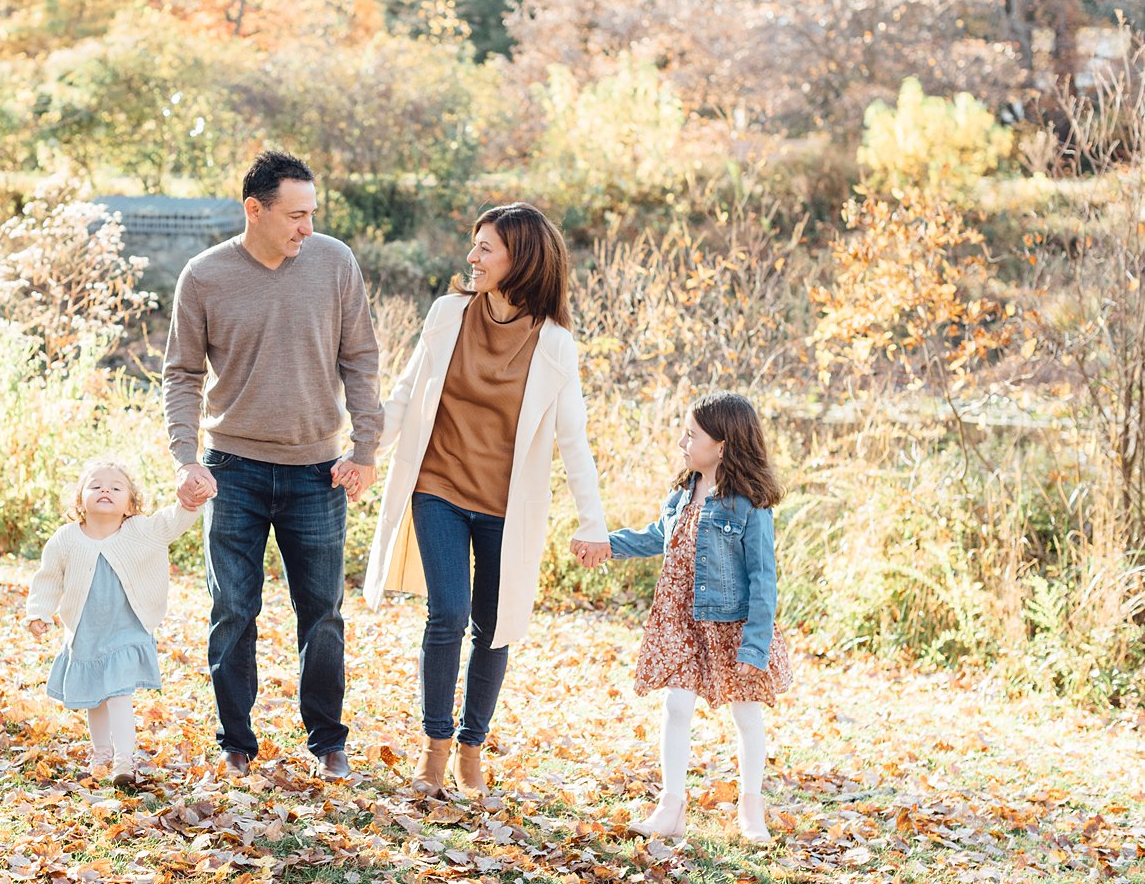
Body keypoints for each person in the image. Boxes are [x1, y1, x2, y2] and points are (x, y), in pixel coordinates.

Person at [364, 202, 612, 798]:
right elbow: (404, 394)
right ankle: (435, 746)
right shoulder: (449, 314)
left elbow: (572, 439)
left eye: (486, 249)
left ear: (519, 259)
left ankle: (472, 746)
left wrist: (593, 521)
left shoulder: (554, 345)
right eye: (473, 245)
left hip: (507, 506)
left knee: (494, 626)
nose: (471, 258)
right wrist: (365, 451)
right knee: (446, 611)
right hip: (439, 488)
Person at [162, 150, 383, 780]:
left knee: (323, 613)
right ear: (254, 211)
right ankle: (236, 742)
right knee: (233, 608)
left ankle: (328, 740)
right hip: (232, 470)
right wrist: (184, 458)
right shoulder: (204, 277)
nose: (306, 228)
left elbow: (361, 359)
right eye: (295, 215)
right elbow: (181, 375)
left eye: (312, 214)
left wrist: (365, 448)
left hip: (320, 472)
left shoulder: (334, 262)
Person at [597, 392, 793, 843]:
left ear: (721, 445)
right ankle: (671, 807)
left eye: (692, 434)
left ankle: (751, 810)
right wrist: (605, 543)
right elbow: (656, 537)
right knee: (676, 706)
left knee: (746, 715)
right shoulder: (684, 491)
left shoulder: (748, 504)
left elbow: (764, 579)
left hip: (731, 625)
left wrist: (755, 646)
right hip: (681, 620)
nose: (683, 442)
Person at [26, 459, 201, 789]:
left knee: (119, 693)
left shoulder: (140, 530)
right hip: (87, 632)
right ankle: (101, 752)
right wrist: (39, 612)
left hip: (126, 629)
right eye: (96, 485)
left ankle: (124, 759)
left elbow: (173, 522)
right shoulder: (65, 539)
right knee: (95, 696)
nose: (105, 489)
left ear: (130, 504)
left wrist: (191, 498)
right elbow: (48, 578)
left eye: (116, 487)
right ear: (80, 501)